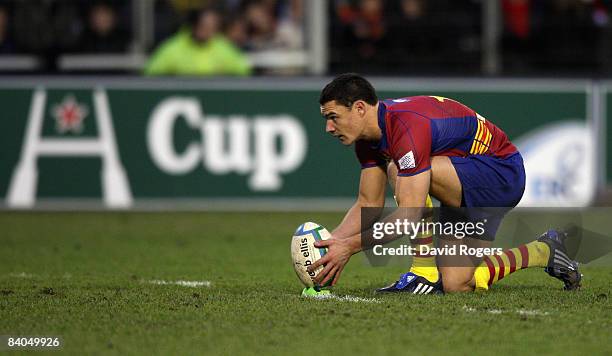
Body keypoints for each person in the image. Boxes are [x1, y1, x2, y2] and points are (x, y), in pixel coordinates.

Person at [309, 73, 582, 294]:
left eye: (333, 117)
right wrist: (331, 246)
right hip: (462, 178)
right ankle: (544, 250)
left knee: (399, 169)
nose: (329, 128)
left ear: (359, 108)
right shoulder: (368, 140)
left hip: (500, 175)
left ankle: (422, 272)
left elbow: (409, 216)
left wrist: (350, 247)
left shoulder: (405, 127)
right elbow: (368, 203)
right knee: (457, 283)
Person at [144, 7, 251, 76]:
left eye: (212, 27)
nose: (208, 31)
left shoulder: (222, 46)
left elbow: (243, 71)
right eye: (204, 26)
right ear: (194, 25)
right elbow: (152, 73)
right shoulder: (174, 47)